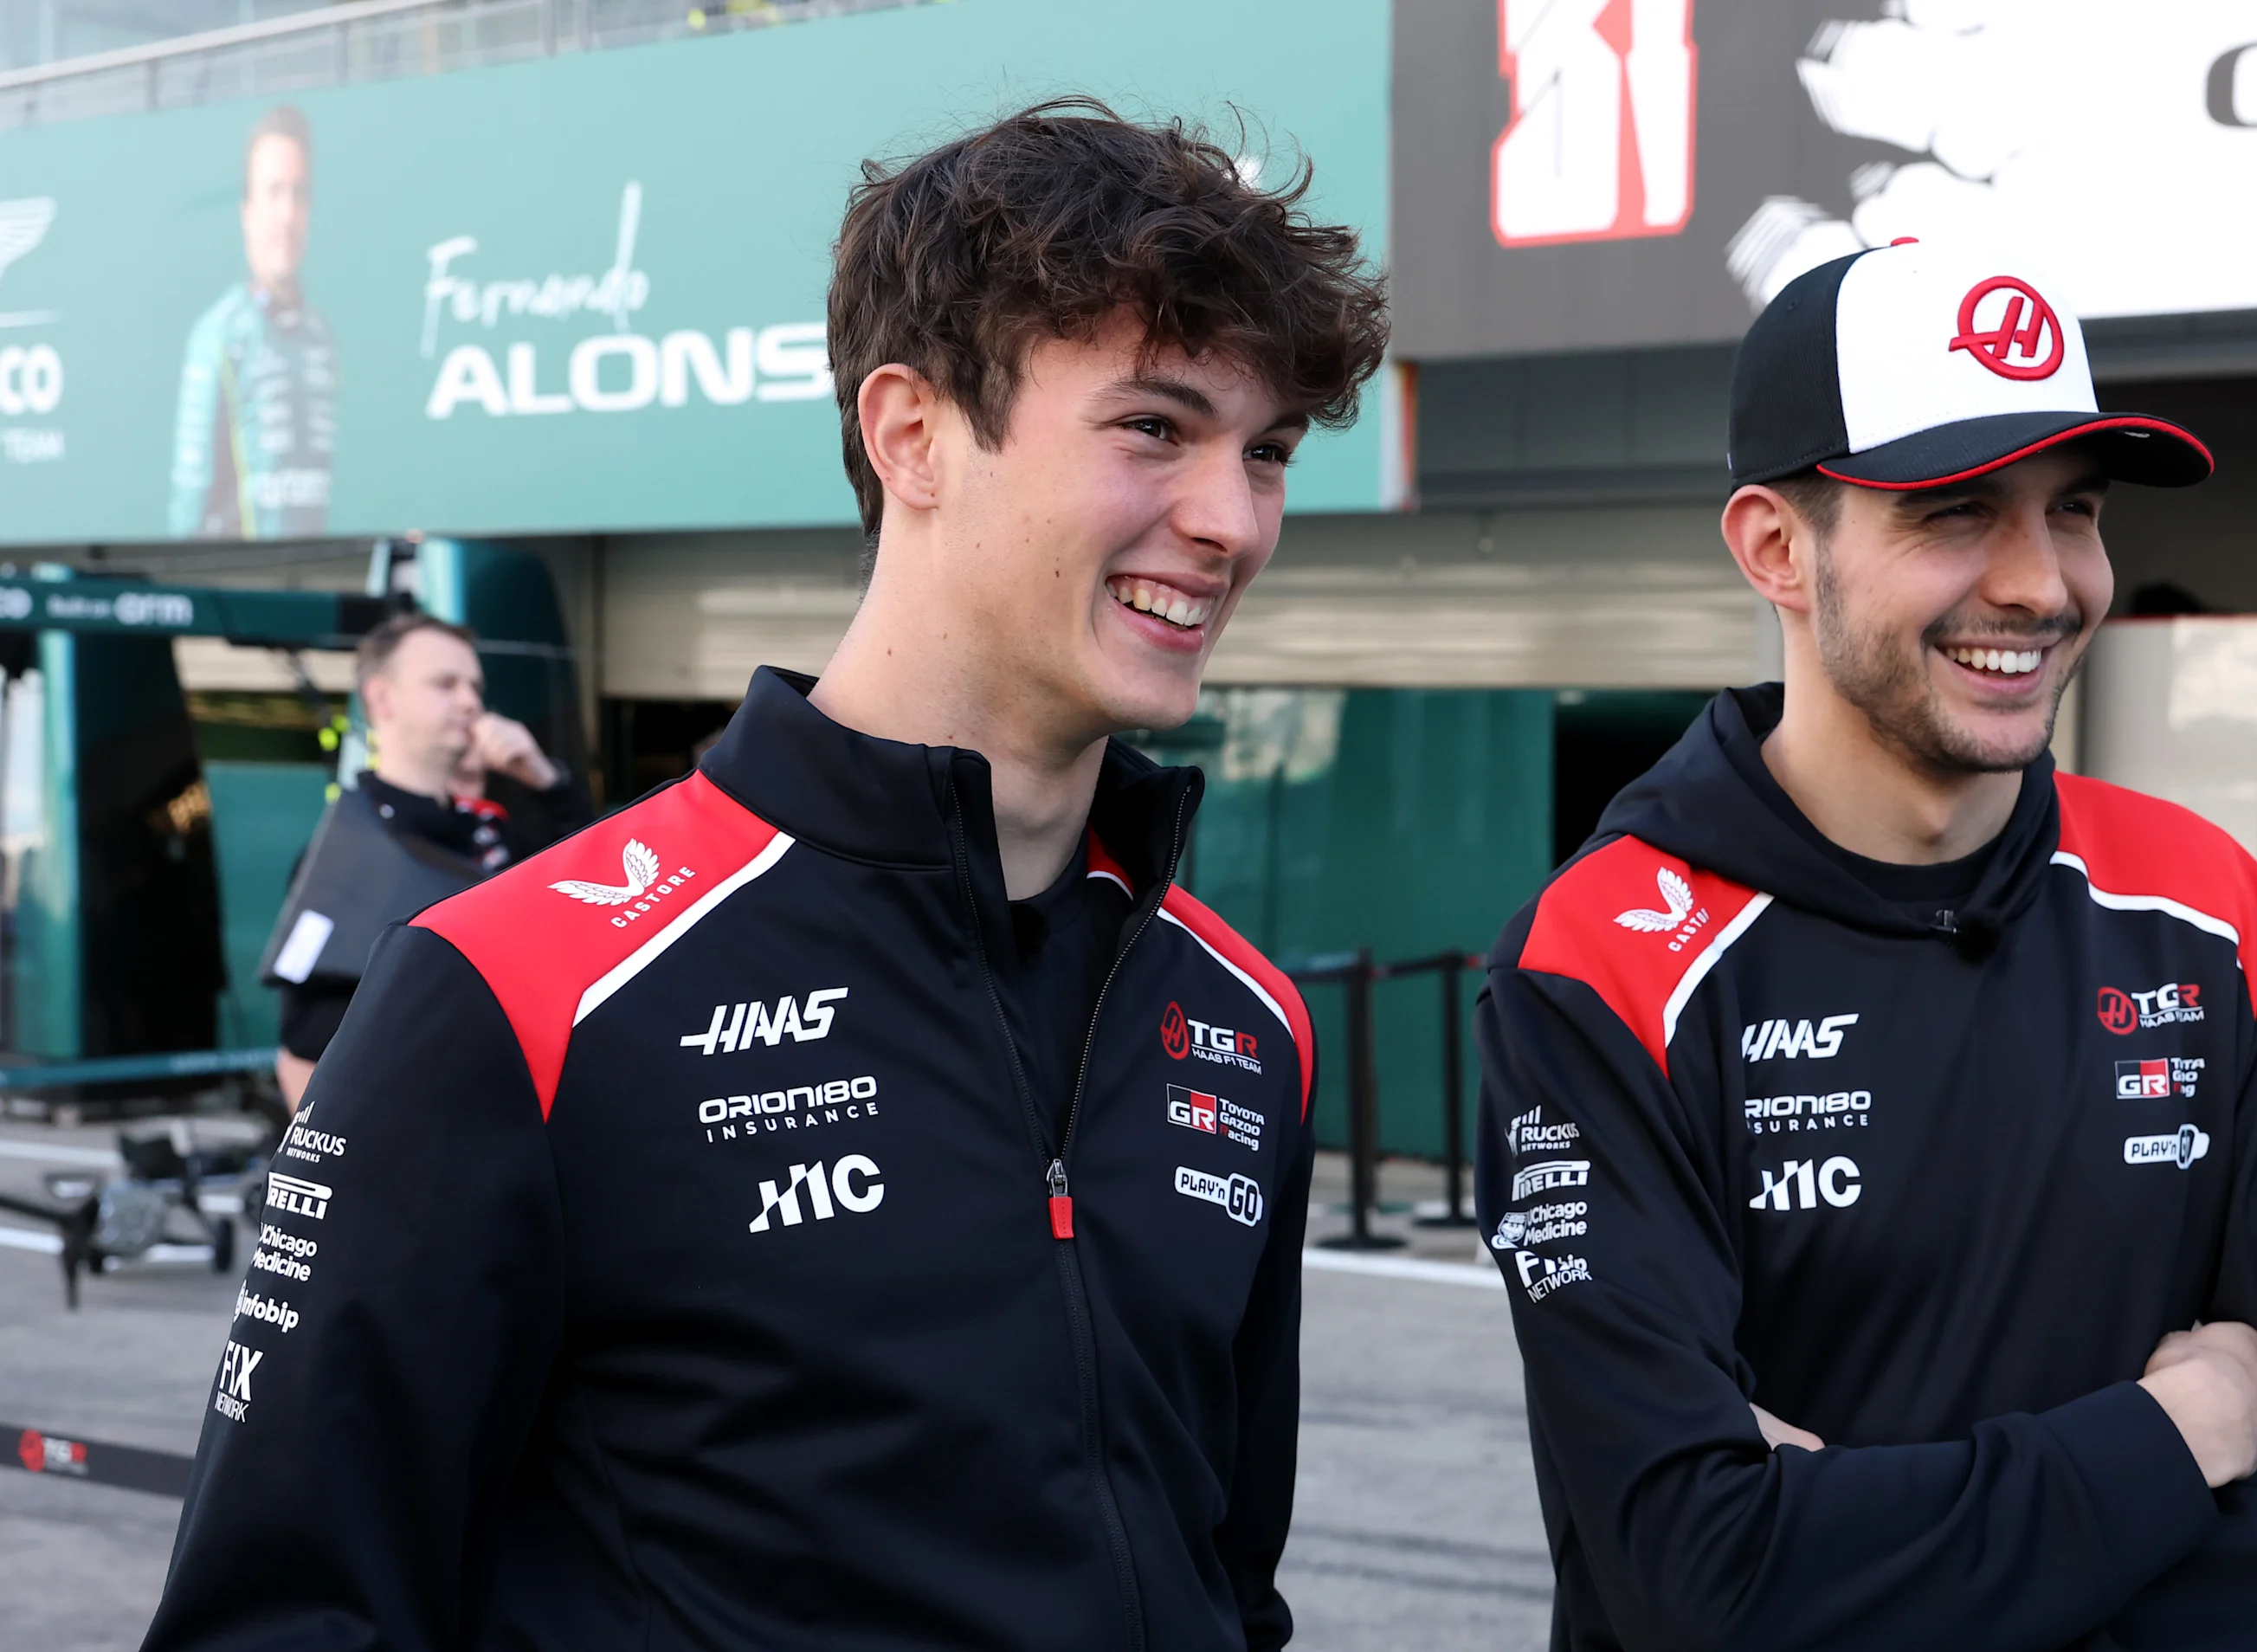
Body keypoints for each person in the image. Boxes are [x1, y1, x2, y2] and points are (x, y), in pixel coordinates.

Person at [145, 100, 1386, 1650]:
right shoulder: (517, 992)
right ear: (911, 432)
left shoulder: (1245, 1018)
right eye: (1152, 426)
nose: (1230, 520)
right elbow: (283, 1620)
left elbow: (1223, 1588)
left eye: (1262, 451)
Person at [1473, 241, 2257, 1652]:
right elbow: (1696, 1571)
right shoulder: (1605, 956)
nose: (2041, 582)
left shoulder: (2201, 903)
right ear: (1774, 548)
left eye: (2072, 511)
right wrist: (2175, 1433)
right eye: (1953, 513)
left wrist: (1864, 1555)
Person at [263, 612, 591, 1108]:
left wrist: (546, 781)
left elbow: (593, 897)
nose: (470, 702)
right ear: (381, 698)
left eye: (475, 686)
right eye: (445, 684)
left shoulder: (487, 835)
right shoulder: (345, 852)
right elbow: (305, 1037)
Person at [168, 103, 337, 540]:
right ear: (247, 209)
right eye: (274, 192)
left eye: (299, 194)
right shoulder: (219, 336)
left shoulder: (323, 334)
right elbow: (191, 503)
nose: (286, 213)